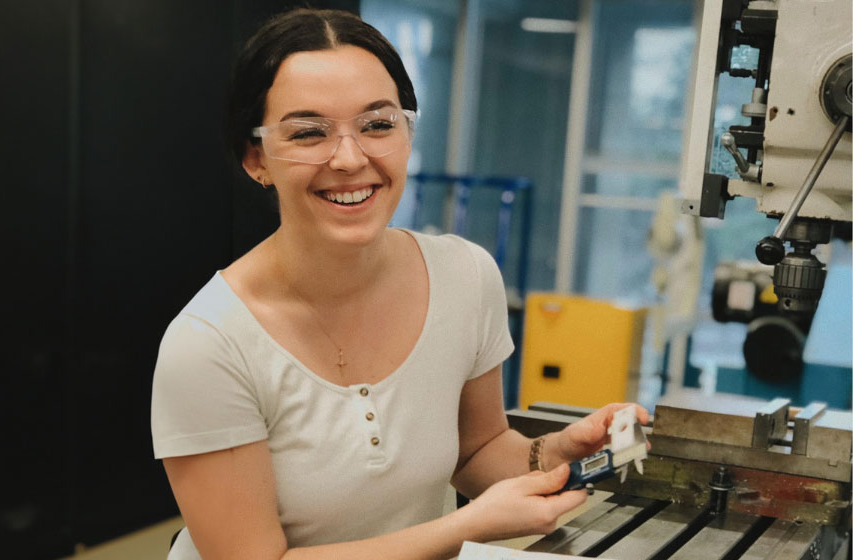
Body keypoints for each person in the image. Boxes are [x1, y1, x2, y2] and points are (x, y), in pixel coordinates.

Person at [151, 8, 649, 559]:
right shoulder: (209, 344)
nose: (350, 157)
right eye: (309, 132)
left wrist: (557, 452)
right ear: (256, 158)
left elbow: (476, 450)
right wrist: (464, 528)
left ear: (408, 132)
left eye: (378, 124)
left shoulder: (465, 276)